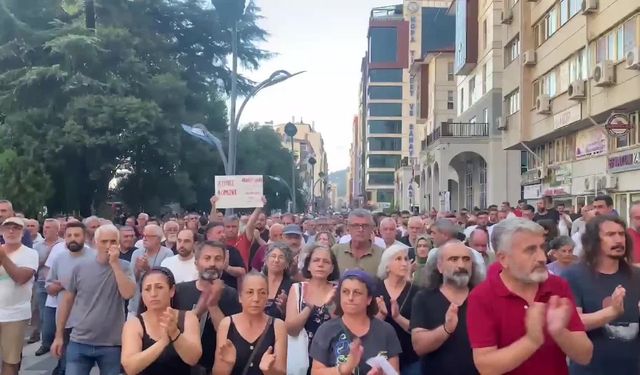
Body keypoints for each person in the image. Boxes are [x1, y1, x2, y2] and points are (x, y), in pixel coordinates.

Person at [466, 218, 593, 374]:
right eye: (530, 250)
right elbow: (486, 367)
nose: (542, 258)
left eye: (542, 247)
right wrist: (531, 341)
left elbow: (585, 356)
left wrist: (560, 333)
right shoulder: (482, 296)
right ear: (503, 259)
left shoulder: (557, 286)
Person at [51, 224, 136, 375]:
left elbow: (128, 293)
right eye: (104, 241)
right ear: (96, 243)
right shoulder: (80, 267)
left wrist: (115, 264)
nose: (108, 246)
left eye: (112, 241)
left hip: (112, 343)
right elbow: (67, 301)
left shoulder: (125, 267)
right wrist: (59, 335)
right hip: (80, 339)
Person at [563, 215, 640, 375]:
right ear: (593, 241)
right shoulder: (573, 276)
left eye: (621, 234)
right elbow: (572, 323)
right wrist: (611, 313)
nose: (619, 240)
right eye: (610, 235)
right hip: (590, 369)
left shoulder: (636, 276)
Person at [411, 240, 484, 375]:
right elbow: (419, 346)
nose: (461, 265)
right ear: (439, 266)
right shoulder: (424, 298)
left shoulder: (483, 297)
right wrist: (446, 329)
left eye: (466, 259)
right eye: (454, 259)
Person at [309, 269, 402, 374]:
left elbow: (395, 371)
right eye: (345, 292)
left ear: (369, 299)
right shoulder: (326, 330)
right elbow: (316, 372)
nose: (350, 298)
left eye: (357, 293)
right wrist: (344, 369)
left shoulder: (386, 331)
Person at [172, 241, 242, 375]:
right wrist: (200, 308)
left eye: (218, 259)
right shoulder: (180, 291)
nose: (212, 264)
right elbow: (175, 330)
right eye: (207, 258)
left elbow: (230, 337)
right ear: (196, 262)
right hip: (181, 367)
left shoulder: (231, 295)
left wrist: (213, 305)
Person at [121, 267, 202, 375]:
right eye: (147, 289)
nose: (153, 294)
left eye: (159, 287)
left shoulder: (188, 317)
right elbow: (130, 367)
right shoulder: (134, 324)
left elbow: (193, 358)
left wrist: (175, 333)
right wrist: (162, 343)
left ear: (172, 290)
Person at [46, 222, 96, 375]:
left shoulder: (95, 257)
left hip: (89, 320)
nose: (72, 239)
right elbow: (49, 287)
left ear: (85, 237)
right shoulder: (59, 258)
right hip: (65, 320)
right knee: (66, 364)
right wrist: (60, 285)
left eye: (76, 235)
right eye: (69, 235)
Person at [213, 272, 288, 375]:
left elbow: (282, 371)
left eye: (262, 293)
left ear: (267, 297)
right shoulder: (227, 324)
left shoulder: (278, 326)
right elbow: (217, 371)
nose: (256, 299)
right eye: (249, 292)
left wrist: (269, 370)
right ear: (240, 297)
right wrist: (227, 365)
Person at [285, 245, 339, 371]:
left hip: (332, 356)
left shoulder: (339, 290)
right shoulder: (297, 289)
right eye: (316, 260)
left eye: (326, 262)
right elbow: (291, 330)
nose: (320, 264)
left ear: (332, 268)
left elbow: (344, 328)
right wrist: (308, 308)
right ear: (308, 266)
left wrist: (331, 305)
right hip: (302, 356)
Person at [0, 217, 38, 375]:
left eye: (16, 228)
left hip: (14, 315)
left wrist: (3, 258)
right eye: (7, 228)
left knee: (11, 360)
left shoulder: (30, 253)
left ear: (23, 233)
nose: (11, 231)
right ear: (1, 232)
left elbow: (21, 278)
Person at [376, 245, 419, 375]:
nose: (404, 263)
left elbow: (418, 330)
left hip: (410, 358)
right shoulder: (374, 289)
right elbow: (366, 327)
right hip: (380, 357)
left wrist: (398, 318)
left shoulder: (417, 291)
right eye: (398, 259)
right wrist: (382, 315)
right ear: (387, 266)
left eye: (406, 259)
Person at [331, 209, 384, 276]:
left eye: (365, 226)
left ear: (372, 228)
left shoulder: (382, 254)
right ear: (348, 228)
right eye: (356, 225)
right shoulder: (336, 251)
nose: (360, 229)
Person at [262, 243, 293, 320]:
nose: (276, 260)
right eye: (273, 256)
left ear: (287, 263)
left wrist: (285, 307)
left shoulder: (292, 286)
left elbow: (293, 320)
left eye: (281, 257)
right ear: (266, 260)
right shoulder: (256, 282)